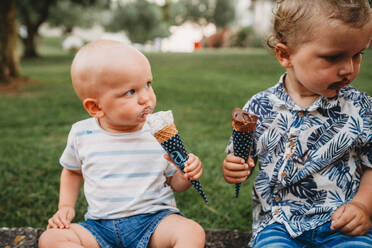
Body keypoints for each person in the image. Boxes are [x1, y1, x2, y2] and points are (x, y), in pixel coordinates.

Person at [222, 0, 372, 247]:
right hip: (278, 224)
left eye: (357, 55)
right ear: (285, 55)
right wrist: (235, 168)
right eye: (333, 57)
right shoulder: (260, 107)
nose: (348, 69)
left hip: (341, 224)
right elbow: (242, 159)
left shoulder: (360, 108)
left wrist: (362, 206)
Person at [38, 39, 205, 248]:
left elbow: (176, 184)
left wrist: (186, 173)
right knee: (51, 239)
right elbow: (72, 171)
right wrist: (65, 206)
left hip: (155, 221)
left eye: (147, 84)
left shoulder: (158, 133)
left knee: (191, 232)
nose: (146, 98)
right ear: (95, 107)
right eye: (130, 92)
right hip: (99, 227)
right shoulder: (82, 134)